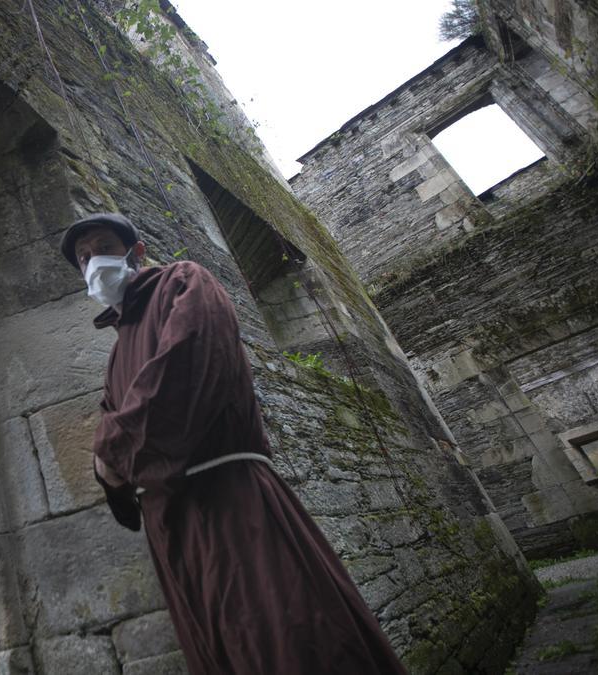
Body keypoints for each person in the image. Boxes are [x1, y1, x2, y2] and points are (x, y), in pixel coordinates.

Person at [60, 213, 407, 674]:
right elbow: (113, 431)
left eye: (101, 247)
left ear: (136, 251)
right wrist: (113, 455)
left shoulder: (183, 283)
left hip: (229, 503)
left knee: (289, 638)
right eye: (83, 259)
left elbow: (188, 364)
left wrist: (112, 451)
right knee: (220, 650)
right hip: (171, 529)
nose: (92, 264)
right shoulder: (117, 355)